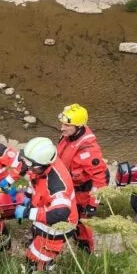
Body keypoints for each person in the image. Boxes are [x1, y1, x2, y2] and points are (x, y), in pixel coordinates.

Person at [14, 137, 80, 272]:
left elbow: (59, 214)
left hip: (59, 226)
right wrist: (28, 196)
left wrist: (27, 213)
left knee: (35, 259)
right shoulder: (43, 165)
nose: (30, 169)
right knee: (37, 240)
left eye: (33, 166)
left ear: (44, 165)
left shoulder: (58, 186)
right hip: (45, 210)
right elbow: (38, 185)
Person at [56, 104, 108, 253]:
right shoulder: (69, 136)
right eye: (63, 124)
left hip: (83, 193)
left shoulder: (89, 151)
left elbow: (100, 179)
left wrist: (93, 204)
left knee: (83, 223)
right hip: (69, 186)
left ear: (78, 127)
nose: (62, 128)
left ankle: (86, 252)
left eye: (67, 125)